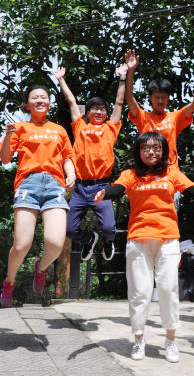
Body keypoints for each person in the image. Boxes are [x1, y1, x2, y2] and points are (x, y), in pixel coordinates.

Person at [94, 132, 194, 363]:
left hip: (168, 239)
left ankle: (171, 339)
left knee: (167, 290)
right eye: (146, 148)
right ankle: (138, 339)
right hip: (139, 239)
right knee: (140, 292)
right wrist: (105, 193)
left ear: (163, 151)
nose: (151, 152)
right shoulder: (131, 174)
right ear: (138, 152)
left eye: (156, 147)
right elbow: (118, 189)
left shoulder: (171, 172)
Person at [0, 86, 76, 307]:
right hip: (28, 184)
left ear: (49, 103)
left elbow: (67, 157)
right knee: (22, 244)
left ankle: (40, 268)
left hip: (54, 184)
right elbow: (5, 158)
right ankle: (9, 282)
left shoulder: (59, 130)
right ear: (27, 105)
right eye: (35, 97)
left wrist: (71, 174)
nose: (40, 100)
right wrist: (8, 136)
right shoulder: (19, 128)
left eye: (44, 97)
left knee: (56, 243)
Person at [55, 65, 124, 261]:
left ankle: (108, 242)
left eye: (102, 109)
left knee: (109, 228)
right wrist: (61, 79)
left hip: (101, 186)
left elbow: (119, 102)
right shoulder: (80, 126)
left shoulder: (111, 128)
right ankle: (88, 240)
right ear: (88, 112)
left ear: (106, 113)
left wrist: (122, 77)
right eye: (94, 108)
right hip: (80, 188)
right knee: (69, 229)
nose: (98, 111)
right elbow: (71, 101)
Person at [123, 50, 194, 170]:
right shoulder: (142, 116)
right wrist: (131, 71)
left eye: (164, 98)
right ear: (150, 98)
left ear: (168, 98)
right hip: (147, 170)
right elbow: (129, 98)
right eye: (157, 97)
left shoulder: (175, 117)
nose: (160, 101)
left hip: (170, 170)